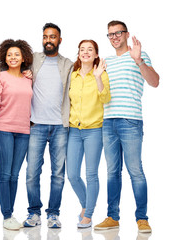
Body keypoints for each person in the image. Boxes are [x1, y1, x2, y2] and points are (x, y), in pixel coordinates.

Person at [94, 20, 159, 233]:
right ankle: (112, 217)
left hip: (130, 120)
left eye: (118, 33)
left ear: (126, 34)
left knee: (135, 171)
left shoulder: (138, 56)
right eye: (110, 34)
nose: (114, 37)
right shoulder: (106, 62)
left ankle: (142, 218)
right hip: (108, 121)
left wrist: (139, 60)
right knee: (112, 172)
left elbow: (155, 81)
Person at [23, 23, 73, 229]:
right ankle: (34, 213)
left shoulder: (69, 64)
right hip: (36, 125)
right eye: (45, 36)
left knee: (58, 174)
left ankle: (53, 214)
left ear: (60, 40)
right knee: (32, 172)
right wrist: (25, 73)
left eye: (53, 37)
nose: (48, 40)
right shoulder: (33, 59)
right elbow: (10, 62)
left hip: (60, 126)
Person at [0, 39, 33, 230]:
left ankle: (10, 214)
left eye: (17, 55)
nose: (13, 57)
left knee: (15, 175)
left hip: (24, 131)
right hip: (3, 129)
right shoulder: (1, 76)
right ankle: (7, 216)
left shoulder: (29, 78)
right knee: (5, 174)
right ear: (5, 57)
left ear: (23, 58)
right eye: (9, 55)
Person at [66, 40, 111, 228]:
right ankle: (86, 205)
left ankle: (88, 214)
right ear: (78, 54)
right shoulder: (73, 75)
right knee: (72, 175)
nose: (85, 52)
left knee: (91, 174)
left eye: (89, 50)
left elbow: (106, 98)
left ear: (95, 54)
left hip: (94, 129)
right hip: (74, 130)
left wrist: (99, 77)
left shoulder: (102, 74)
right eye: (82, 50)